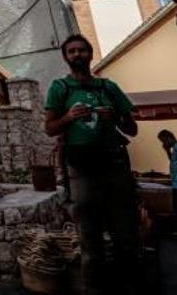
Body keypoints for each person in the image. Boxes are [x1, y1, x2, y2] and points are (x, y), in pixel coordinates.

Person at [44, 34, 139, 294]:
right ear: (65, 57)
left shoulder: (108, 87)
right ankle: (94, 289)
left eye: (81, 50)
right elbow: (50, 129)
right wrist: (68, 117)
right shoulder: (59, 87)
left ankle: (129, 285)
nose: (77, 55)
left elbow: (133, 130)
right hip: (81, 168)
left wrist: (117, 116)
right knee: (89, 236)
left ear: (90, 53)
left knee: (125, 234)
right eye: (71, 51)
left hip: (115, 163)